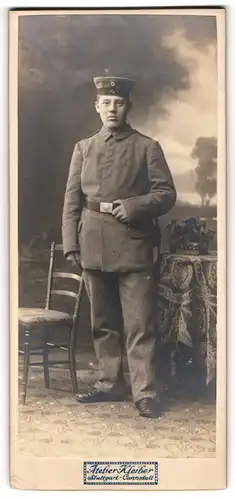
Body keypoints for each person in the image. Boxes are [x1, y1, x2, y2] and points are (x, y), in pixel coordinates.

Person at [62, 76, 177, 418]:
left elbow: (166, 194)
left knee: (139, 324)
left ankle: (145, 391)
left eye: (119, 102)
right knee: (103, 322)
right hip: (93, 244)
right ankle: (110, 383)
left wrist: (135, 206)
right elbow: (72, 201)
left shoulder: (147, 146)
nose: (112, 109)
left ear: (128, 106)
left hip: (134, 246)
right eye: (106, 102)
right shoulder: (83, 148)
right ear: (96, 107)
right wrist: (71, 243)